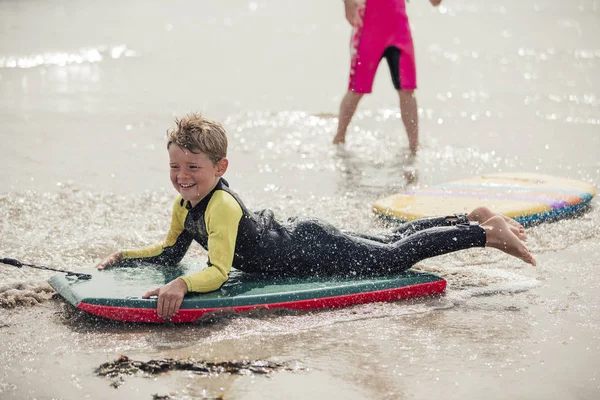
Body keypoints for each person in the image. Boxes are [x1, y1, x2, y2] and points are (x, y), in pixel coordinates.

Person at [97, 113, 536, 320]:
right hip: (303, 240)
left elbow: (216, 270)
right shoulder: (183, 206)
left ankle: (483, 233)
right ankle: (469, 216)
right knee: (382, 244)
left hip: (308, 247)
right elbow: (171, 251)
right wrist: (127, 257)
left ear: (220, 169)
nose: (183, 177)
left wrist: (182, 285)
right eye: (176, 167)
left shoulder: (223, 207)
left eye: (193, 167)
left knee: (392, 257)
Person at [333, 0, 443, 152]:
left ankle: (413, 149)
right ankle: (339, 139)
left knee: (407, 89)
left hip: (399, 30)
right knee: (357, 90)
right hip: (368, 28)